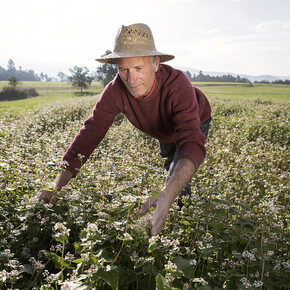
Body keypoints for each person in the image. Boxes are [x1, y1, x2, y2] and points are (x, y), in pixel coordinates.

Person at [38, 23, 211, 236]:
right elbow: (89, 134)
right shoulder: (115, 90)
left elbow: (191, 144)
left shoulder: (178, 85)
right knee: (170, 163)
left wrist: (168, 192)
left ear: (156, 63)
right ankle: (171, 197)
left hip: (195, 120)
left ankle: (182, 221)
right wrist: (57, 188)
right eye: (123, 70)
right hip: (162, 129)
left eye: (139, 68)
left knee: (176, 177)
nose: (131, 79)